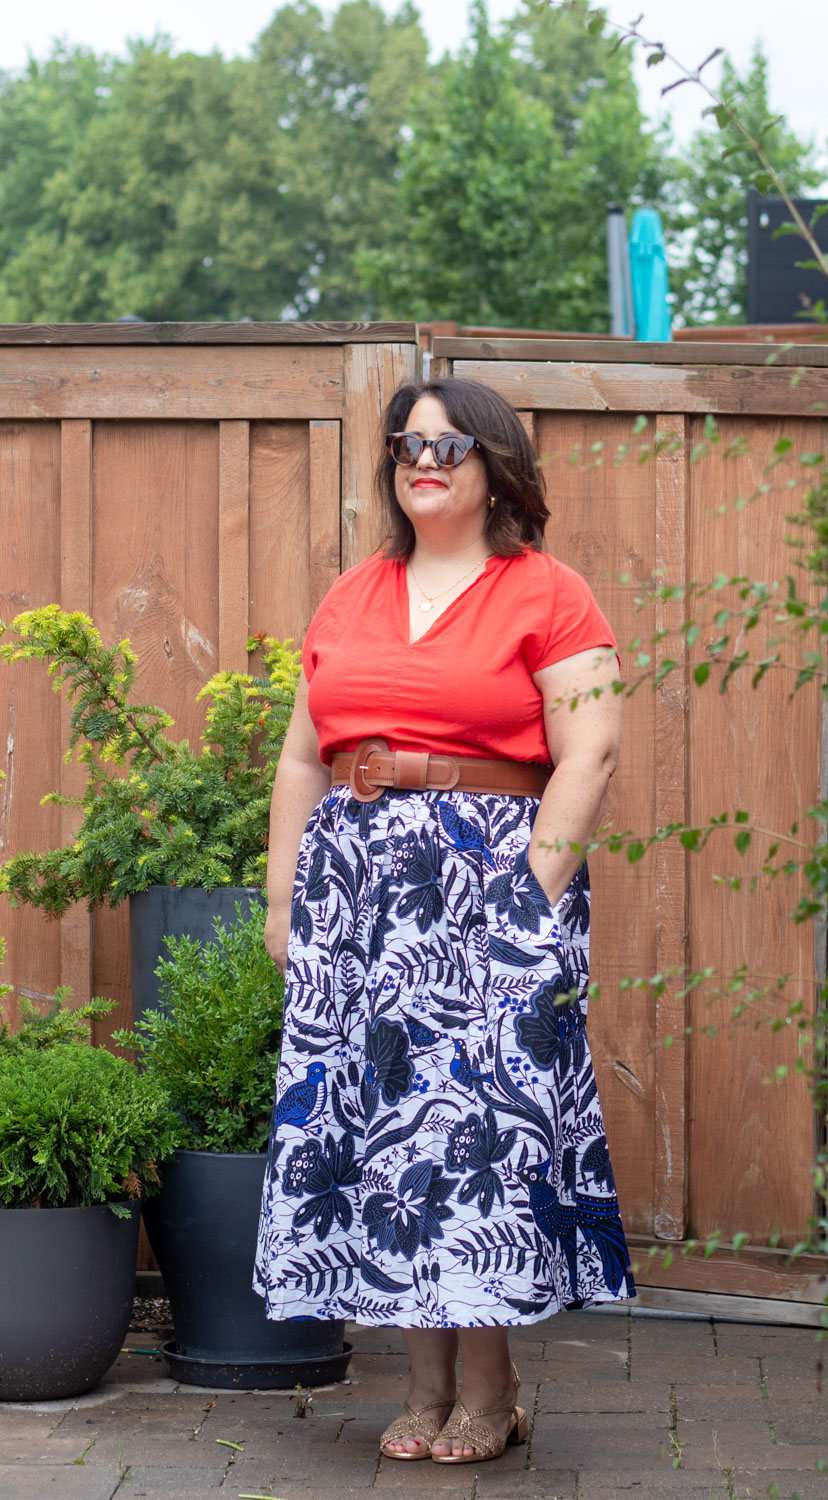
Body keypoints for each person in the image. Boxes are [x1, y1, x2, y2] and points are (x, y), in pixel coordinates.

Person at [254, 377, 634, 1465]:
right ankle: (421, 1387)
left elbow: (590, 752)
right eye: (406, 444)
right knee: (386, 1132)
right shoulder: (351, 595)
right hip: (358, 894)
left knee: (476, 1138)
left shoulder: (549, 592)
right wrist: (285, 898)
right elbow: (298, 755)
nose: (424, 460)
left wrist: (534, 897)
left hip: (490, 889)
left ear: (495, 461)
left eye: (448, 443)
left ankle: (492, 1388)